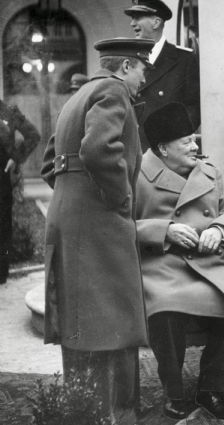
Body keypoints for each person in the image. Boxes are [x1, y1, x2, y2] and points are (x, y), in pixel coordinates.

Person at [41, 37, 154, 425]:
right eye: (142, 68)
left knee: (81, 323)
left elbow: (49, 163)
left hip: (69, 217)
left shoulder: (79, 95)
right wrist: (119, 197)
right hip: (99, 220)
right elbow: (98, 149)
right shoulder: (112, 89)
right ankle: (117, 416)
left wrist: (74, 196)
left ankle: (85, 411)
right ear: (125, 67)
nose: (143, 78)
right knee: (113, 321)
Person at [136, 102, 224, 420]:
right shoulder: (138, 176)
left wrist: (221, 228)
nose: (194, 145)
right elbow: (120, 226)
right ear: (163, 148)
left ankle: (211, 389)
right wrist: (165, 230)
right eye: (185, 141)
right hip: (163, 263)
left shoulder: (209, 172)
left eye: (193, 138)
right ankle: (174, 393)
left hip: (209, 259)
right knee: (166, 307)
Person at [124, 0, 200, 149]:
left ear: (156, 22)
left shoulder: (184, 59)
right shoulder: (128, 60)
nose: (132, 23)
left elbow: (193, 108)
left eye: (137, 17)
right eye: (132, 18)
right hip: (132, 151)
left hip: (166, 152)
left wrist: (173, 141)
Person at [0, 99, 40, 284]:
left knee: (2, 225)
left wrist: (15, 158)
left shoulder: (8, 111)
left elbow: (33, 135)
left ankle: (1, 273)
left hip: (2, 178)